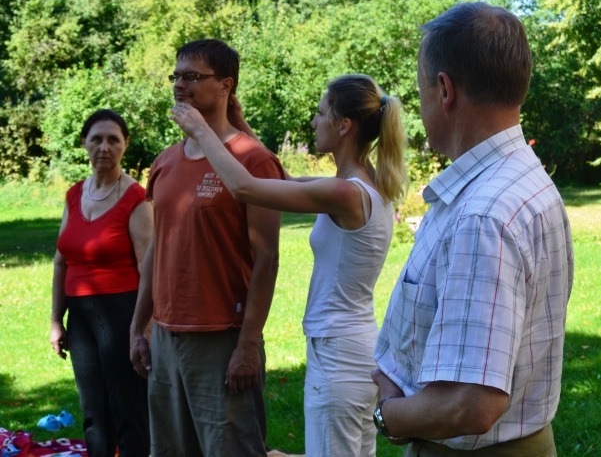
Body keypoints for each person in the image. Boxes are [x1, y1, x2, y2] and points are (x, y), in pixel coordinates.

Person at [370, 2, 574, 457]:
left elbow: (472, 403)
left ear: (445, 90)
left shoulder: (483, 215)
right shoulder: (522, 180)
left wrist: (388, 414)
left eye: (422, 89)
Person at [170, 73, 409, 457]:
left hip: (337, 354)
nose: (314, 122)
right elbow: (280, 179)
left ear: (344, 125)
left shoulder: (344, 192)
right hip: (353, 346)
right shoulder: (364, 184)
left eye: (321, 113)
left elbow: (245, 188)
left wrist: (201, 130)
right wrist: (241, 126)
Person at [128, 39, 283, 456]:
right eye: (176, 76)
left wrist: (248, 344)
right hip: (165, 336)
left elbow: (267, 258)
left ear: (226, 85)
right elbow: (157, 248)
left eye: (193, 77)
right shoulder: (164, 161)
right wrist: (138, 327)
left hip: (222, 338)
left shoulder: (252, 160)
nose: (179, 85)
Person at [50, 109, 153, 457]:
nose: (104, 147)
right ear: (84, 143)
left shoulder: (137, 199)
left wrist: (143, 329)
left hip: (122, 313)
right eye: (96, 139)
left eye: (113, 140)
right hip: (80, 318)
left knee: (128, 408)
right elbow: (61, 261)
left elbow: (149, 267)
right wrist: (56, 320)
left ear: (125, 144)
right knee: (93, 410)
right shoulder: (74, 195)